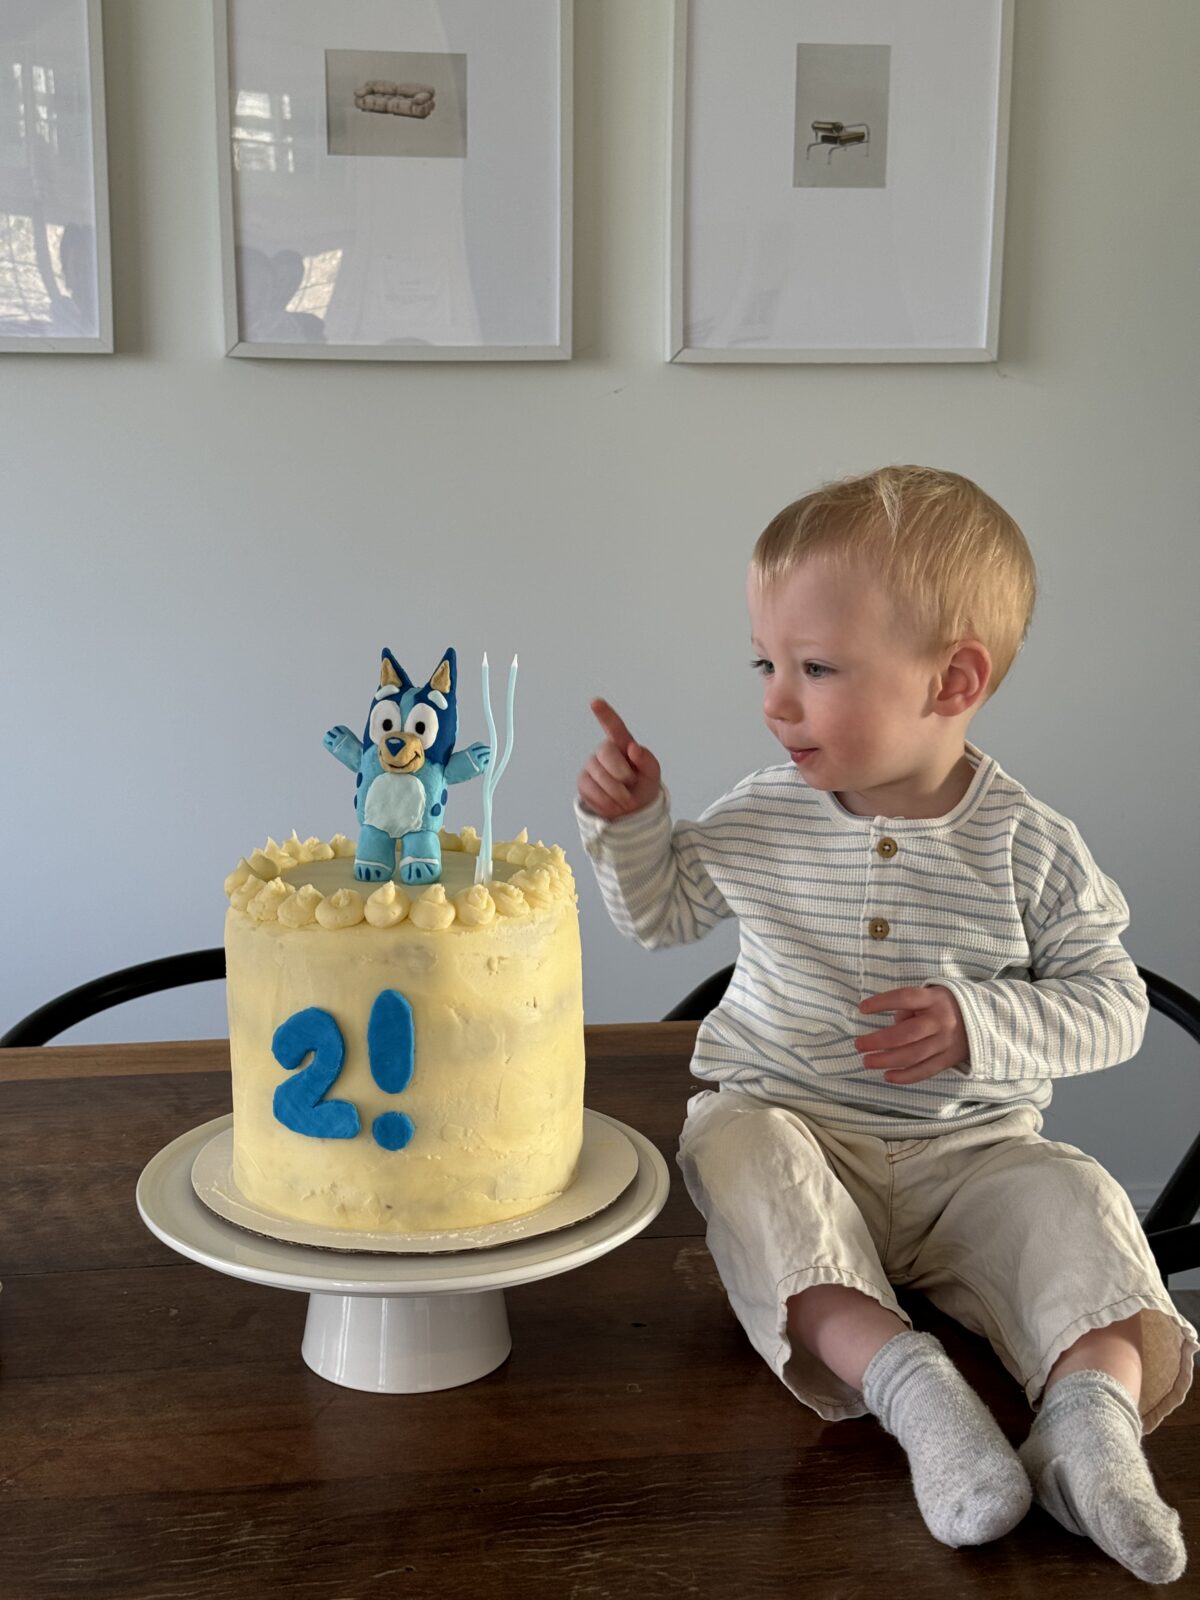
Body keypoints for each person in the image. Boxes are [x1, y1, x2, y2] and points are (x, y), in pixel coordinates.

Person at [575, 466, 1195, 1583]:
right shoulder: (764, 815)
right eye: (766, 665)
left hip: (974, 1155)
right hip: (799, 1129)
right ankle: (918, 1394)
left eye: (816, 669)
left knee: (1079, 1200)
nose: (776, 701)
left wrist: (980, 1021)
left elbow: (1116, 1006)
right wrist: (631, 822)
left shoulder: (1030, 846)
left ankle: (1090, 1429)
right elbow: (662, 913)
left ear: (953, 679)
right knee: (736, 1146)